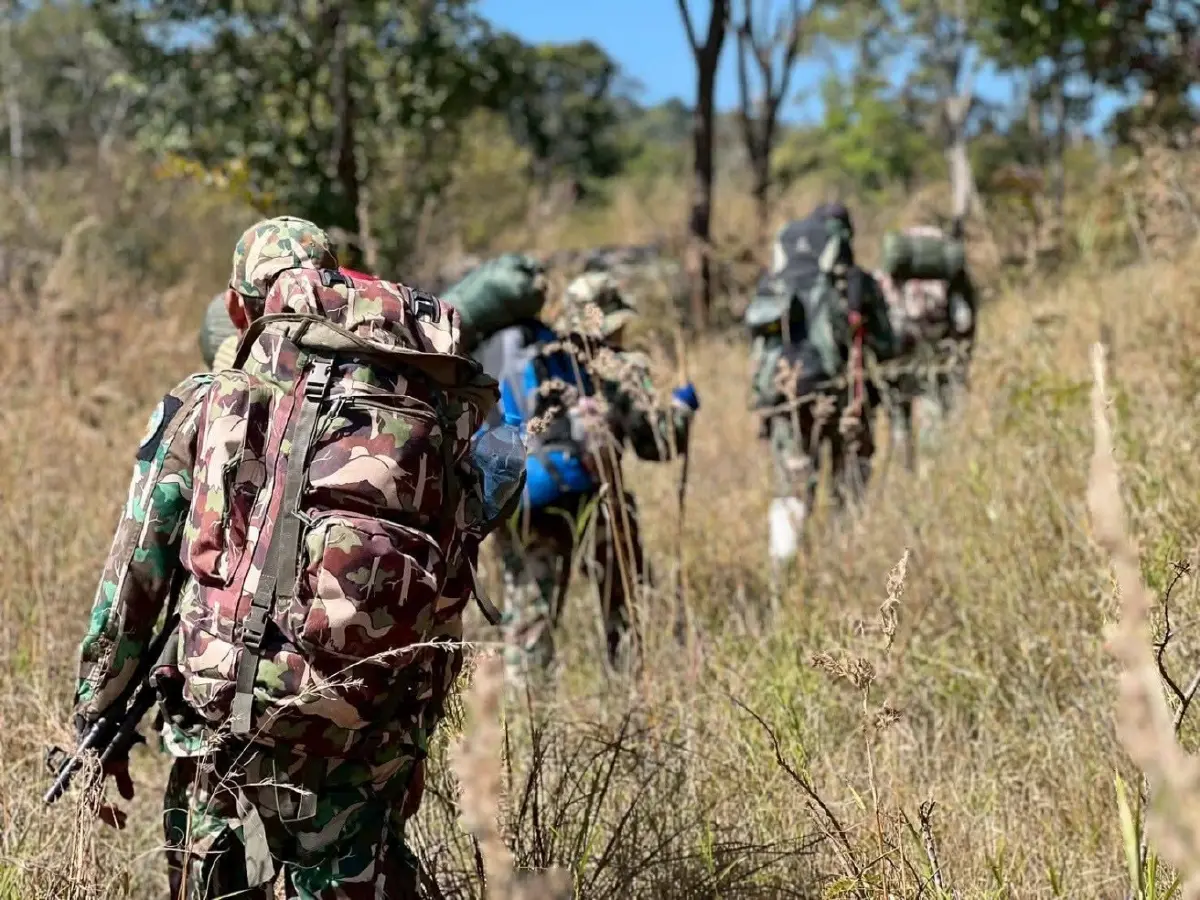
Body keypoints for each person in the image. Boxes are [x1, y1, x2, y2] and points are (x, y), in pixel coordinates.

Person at [71, 216, 519, 899]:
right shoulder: (416, 408)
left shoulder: (204, 401)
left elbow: (135, 573)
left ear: (237, 307)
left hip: (227, 720)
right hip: (367, 723)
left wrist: (93, 721)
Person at [476, 270, 699, 689]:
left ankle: (524, 721)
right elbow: (658, 444)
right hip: (595, 501)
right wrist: (681, 407)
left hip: (517, 497)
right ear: (612, 321)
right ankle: (629, 688)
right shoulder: (615, 368)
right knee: (625, 604)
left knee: (528, 618)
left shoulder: (535, 354)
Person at [746, 203, 905, 575]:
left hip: (784, 399)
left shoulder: (774, 282)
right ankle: (842, 565)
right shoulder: (856, 281)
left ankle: (782, 573)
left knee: (792, 488)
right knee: (848, 485)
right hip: (846, 398)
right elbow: (886, 344)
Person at [873, 222, 977, 471]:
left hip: (899, 353)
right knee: (934, 412)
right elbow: (966, 321)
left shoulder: (893, 268)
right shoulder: (951, 272)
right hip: (937, 352)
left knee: (900, 418)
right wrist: (962, 360)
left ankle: (904, 468)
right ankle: (930, 472)